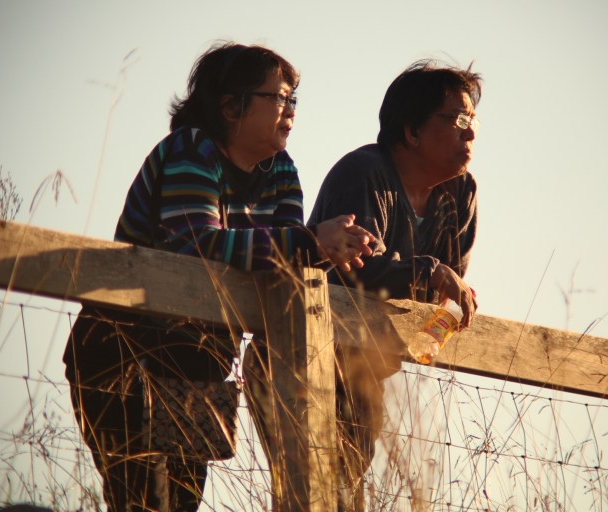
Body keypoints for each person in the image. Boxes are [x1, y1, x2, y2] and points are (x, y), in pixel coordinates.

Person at [62, 42, 374, 512]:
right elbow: (197, 247)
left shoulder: (281, 171)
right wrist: (312, 242)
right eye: (278, 98)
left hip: (201, 361)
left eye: (294, 100)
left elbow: (288, 267)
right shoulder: (191, 150)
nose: (290, 110)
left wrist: (334, 250)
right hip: (125, 350)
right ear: (231, 105)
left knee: (181, 500)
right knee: (140, 498)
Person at [307, 59, 482, 510]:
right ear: (411, 131)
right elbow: (358, 269)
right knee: (314, 494)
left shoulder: (460, 193)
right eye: (458, 119)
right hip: (307, 360)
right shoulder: (363, 172)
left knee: (346, 497)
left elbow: (448, 299)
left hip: (371, 373)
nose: (472, 132)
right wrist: (429, 273)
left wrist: (432, 337)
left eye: (474, 121)